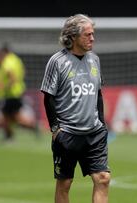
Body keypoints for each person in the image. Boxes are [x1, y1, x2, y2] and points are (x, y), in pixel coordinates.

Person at [40, 14, 110, 203]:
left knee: (103, 178)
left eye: (93, 34)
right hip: (68, 133)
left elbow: (98, 93)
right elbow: (49, 97)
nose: (92, 38)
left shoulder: (94, 60)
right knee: (65, 183)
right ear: (72, 37)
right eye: (87, 34)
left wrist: (102, 124)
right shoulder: (57, 61)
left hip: (94, 133)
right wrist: (56, 129)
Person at [0, 45, 39, 142]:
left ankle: (10, 137)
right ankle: (31, 127)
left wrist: (5, 86)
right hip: (18, 91)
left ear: (4, 52)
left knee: (8, 117)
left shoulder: (7, 61)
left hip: (11, 93)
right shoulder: (17, 60)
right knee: (13, 117)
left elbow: (11, 77)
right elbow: (23, 71)